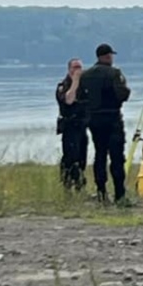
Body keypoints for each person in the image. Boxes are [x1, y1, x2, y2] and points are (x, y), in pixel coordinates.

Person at [77, 43, 131, 205]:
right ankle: (119, 194)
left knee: (100, 155)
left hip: (94, 120)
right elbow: (122, 94)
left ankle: (101, 192)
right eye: (111, 56)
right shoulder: (114, 73)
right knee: (116, 157)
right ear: (107, 56)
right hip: (112, 118)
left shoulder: (85, 75)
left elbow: (80, 97)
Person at [55, 57, 87, 191]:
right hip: (69, 126)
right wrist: (75, 81)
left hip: (82, 126)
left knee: (82, 157)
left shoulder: (84, 85)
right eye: (75, 67)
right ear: (69, 70)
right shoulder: (64, 85)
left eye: (80, 67)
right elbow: (68, 100)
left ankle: (79, 184)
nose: (78, 70)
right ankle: (67, 185)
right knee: (70, 157)